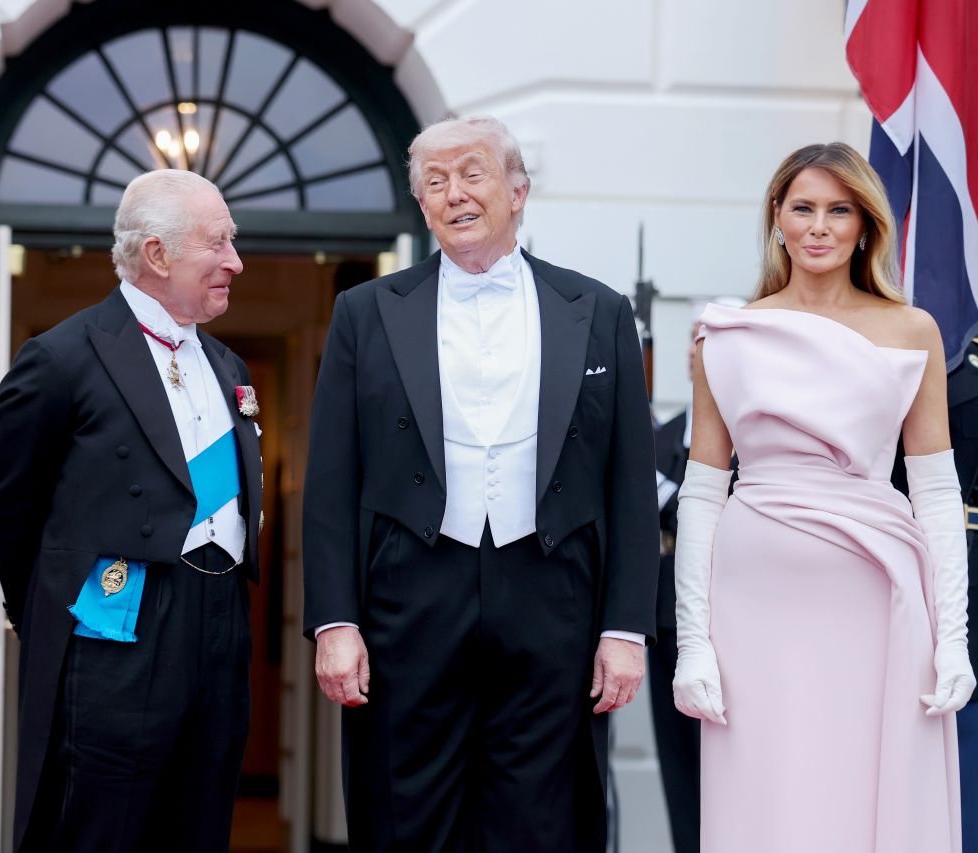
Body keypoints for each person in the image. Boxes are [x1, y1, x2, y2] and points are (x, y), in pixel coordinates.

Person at [302, 116, 658, 851]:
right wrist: (335, 622)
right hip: (408, 597)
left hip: (554, 594)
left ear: (518, 191)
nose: (454, 194)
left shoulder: (599, 311)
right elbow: (331, 479)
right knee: (406, 812)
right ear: (422, 205)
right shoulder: (364, 312)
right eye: (435, 182)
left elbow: (628, 483)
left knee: (544, 820)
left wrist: (624, 629)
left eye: (472, 174)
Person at [675, 142, 974, 851]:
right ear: (777, 218)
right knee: (769, 799)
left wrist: (954, 639)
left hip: (879, 598)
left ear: (865, 224)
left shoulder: (913, 330)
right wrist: (693, 643)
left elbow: (936, 491)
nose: (818, 226)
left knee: (867, 794)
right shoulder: (727, 335)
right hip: (753, 607)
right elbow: (702, 494)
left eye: (839, 210)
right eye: (803, 208)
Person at [0, 169, 263, 852]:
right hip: (117, 628)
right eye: (218, 243)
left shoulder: (228, 365)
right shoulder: (61, 358)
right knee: (101, 828)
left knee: (200, 825)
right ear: (158, 254)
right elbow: (12, 507)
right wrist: (49, 613)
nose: (235, 261)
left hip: (220, 620)